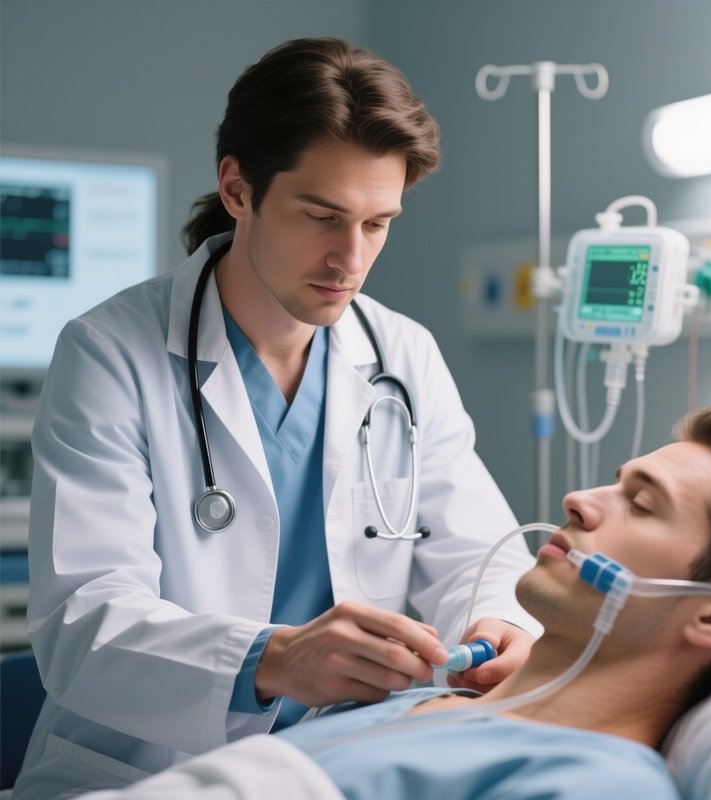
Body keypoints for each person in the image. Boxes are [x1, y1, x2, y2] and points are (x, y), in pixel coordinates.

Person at [14, 38, 539, 800]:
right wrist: (271, 660)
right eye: (322, 216)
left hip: (344, 762)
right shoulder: (108, 354)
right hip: (151, 773)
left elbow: (477, 560)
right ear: (237, 188)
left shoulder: (401, 354)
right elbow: (85, 625)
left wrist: (498, 626)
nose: (349, 259)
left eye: (377, 223)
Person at [66, 405, 711, 799]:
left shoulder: (596, 784)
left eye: (640, 504)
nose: (581, 499)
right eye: (615, 479)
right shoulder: (420, 700)